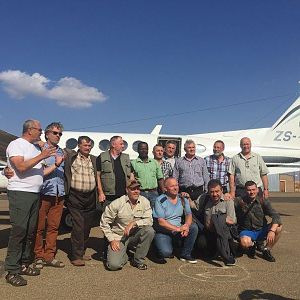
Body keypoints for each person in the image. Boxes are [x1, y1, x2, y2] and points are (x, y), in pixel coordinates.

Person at [4, 120, 57, 286]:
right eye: (39, 130)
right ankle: (12, 270)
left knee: (30, 231)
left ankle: (24, 264)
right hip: (20, 193)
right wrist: (42, 155)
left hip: (34, 193)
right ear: (29, 130)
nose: (41, 132)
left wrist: (56, 165)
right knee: (19, 230)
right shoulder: (16, 144)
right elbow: (20, 167)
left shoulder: (34, 148)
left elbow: (40, 172)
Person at [100, 179, 154, 270]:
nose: (136, 191)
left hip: (135, 235)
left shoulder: (145, 201)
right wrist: (111, 240)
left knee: (149, 231)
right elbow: (104, 222)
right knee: (114, 265)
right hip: (119, 237)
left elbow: (149, 220)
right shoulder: (117, 203)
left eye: (138, 188)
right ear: (127, 190)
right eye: (133, 189)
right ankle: (125, 255)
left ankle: (137, 260)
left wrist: (134, 223)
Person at [33, 122, 65, 269]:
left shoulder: (61, 152)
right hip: (43, 193)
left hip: (59, 194)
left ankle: (49, 256)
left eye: (60, 134)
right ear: (46, 134)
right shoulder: (38, 148)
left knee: (53, 227)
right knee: (39, 227)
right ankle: (38, 255)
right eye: (55, 133)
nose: (58, 136)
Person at [64, 136, 98, 266]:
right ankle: (76, 256)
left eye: (89, 146)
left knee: (87, 226)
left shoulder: (93, 159)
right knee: (78, 225)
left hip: (90, 196)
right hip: (75, 195)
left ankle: (82, 252)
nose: (88, 148)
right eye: (85, 146)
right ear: (79, 146)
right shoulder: (71, 158)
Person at [190, 179, 237, 266]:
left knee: (219, 219)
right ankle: (215, 251)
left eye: (217, 191)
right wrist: (186, 198)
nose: (214, 194)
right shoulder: (204, 198)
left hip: (224, 234)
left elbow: (232, 221)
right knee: (201, 243)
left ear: (222, 190)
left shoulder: (228, 201)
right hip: (209, 232)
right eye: (211, 192)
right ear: (208, 191)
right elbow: (193, 205)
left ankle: (226, 253)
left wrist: (219, 219)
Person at [234, 181, 282, 262]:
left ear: (257, 190)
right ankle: (251, 245)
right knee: (245, 242)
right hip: (247, 231)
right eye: (249, 190)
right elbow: (228, 206)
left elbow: (276, 216)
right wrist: (226, 196)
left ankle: (266, 249)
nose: (251, 192)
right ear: (245, 191)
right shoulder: (239, 201)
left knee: (278, 227)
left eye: (253, 189)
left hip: (261, 230)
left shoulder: (263, 201)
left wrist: (272, 231)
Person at [153, 177, 198, 264]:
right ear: (165, 188)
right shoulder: (160, 200)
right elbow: (161, 221)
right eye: (172, 186)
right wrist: (177, 229)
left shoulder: (182, 199)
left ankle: (185, 254)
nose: (175, 188)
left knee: (194, 227)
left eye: (176, 185)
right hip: (164, 231)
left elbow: (188, 214)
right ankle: (157, 247)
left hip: (178, 229)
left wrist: (186, 226)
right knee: (165, 252)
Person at [96, 136, 132, 208]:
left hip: (123, 196)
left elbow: (131, 175)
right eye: (121, 144)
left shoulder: (126, 158)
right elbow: (97, 176)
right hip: (108, 197)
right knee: (107, 218)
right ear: (113, 144)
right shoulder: (102, 157)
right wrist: (100, 193)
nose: (123, 146)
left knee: (123, 218)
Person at [131, 142, 164, 207]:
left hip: (154, 193)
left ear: (148, 150)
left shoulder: (154, 162)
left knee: (155, 213)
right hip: (140, 193)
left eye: (145, 149)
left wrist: (163, 191)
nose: (144, 151)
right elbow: (131, 179)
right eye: (141, 149)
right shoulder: (133, 163)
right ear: (137, 150)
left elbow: (160, 178)